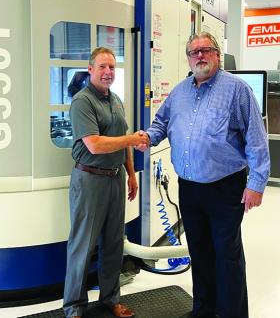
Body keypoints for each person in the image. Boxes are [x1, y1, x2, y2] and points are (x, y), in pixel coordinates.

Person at [136, 32, 270, 318]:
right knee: (199, 250)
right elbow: (161, 123)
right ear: (188, 58)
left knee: (227, 254)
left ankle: (231, 313)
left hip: (225, 187)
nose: (199, 56)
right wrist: (148, 137)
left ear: (217, 56)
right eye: (194, 52)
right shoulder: (180, 92)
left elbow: (256, 140)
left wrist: (257, 184)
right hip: (190, 187)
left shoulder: (237, 90)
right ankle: (204, 310)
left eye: (205, 50)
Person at [63, 47, 147, 318]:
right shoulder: (82, 101)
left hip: (115, 179)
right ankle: (74, 307)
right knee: (83, 245)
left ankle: (110, 299)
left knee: (113, 243)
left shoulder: (117, 100)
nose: (108, 72)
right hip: (89, 179)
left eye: (112, 67)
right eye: (102, 67)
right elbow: (95, 145)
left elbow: (122, 142)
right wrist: (133, 139)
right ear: (90, 70)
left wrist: (131, 173)